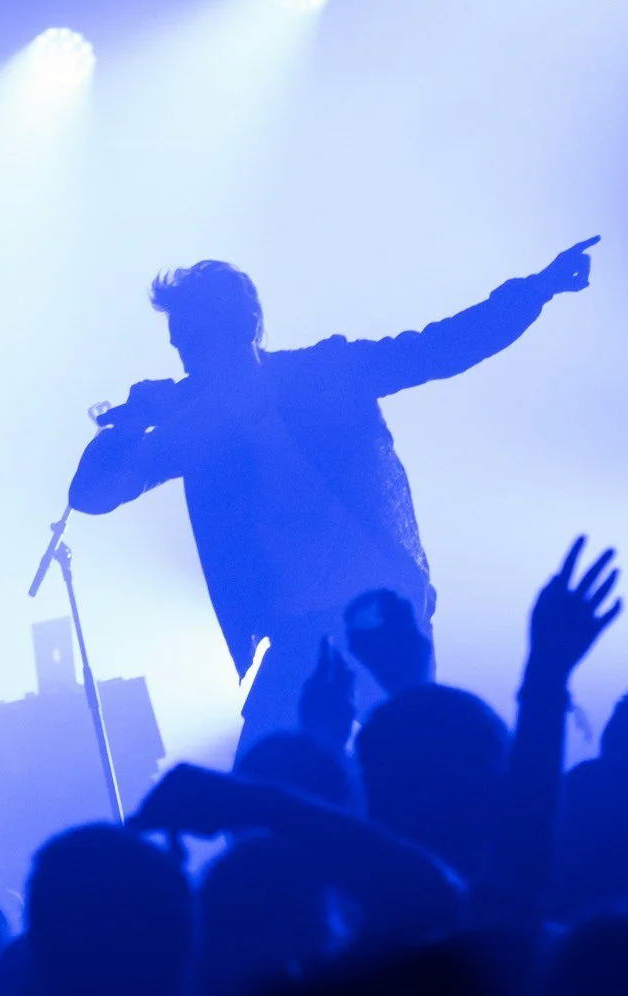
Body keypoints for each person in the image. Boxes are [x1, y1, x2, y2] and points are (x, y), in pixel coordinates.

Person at [68, 240, 599, 752]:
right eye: (179, 345)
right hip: (299, 632)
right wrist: (128, 427)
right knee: (260, 786)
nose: (184, 360)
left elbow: (439, 349)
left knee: (418, 771)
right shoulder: (198, 428)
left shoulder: (324, 375)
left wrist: (537, 289)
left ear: (244, 328)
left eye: (194, 342)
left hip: (381, 607)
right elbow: (93, 496)